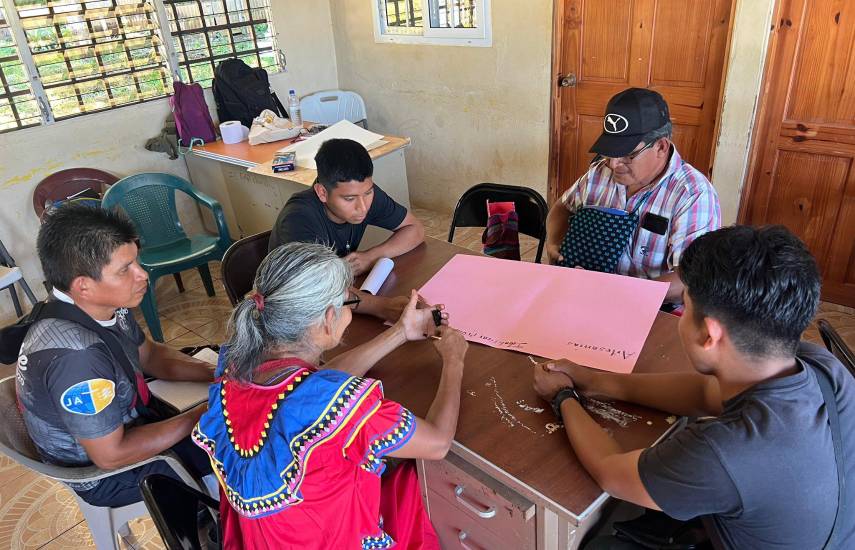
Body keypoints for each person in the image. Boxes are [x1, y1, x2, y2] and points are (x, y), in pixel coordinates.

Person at [532, 225, 855, 549]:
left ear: (709, 335)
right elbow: (704, 394)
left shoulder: (725, 451)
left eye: (686, 307)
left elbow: (611, 474)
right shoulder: (820, 366)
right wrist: (598, 381)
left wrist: (562, 396)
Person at [193, 242, 468, 549]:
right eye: (348, 305)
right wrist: (454, 360)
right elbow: (438, 442)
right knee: (414, 478)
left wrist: (401, 332)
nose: (349, 314)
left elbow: (318, 382)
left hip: (270, 539)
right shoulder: (333, 405)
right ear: (327, 318)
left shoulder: (237, 366)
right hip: (331, 539)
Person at [16, 205, 215, 507]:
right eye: (125, 270)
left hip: (127, 419)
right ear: (82, 285)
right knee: (237, 439)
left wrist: (217, 373)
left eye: (136, 261)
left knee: (227, 407)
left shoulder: (104, 306)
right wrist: (202, 415)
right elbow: (112, 456)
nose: (142, 275)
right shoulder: (77, 357)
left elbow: (148, 356)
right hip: (104, 473)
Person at [545, 88, 720, 308]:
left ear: (661, 146)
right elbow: (563, 207)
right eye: (610, 151)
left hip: (653, 307)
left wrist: (617, 295)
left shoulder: (692, 194)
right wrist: (554, 241)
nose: (613, 163)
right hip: (587, 295)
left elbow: (689, 280)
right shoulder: (600, 174)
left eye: (628, 154)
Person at [269, 138, 425, 276]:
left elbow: (415, 228)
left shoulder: (361, 193)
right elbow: (318, 289)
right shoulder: (298, 218)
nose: (363, 207)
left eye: (368, 193)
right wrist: (384, 307)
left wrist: (371, 256)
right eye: (349, 199)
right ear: (322, 192)